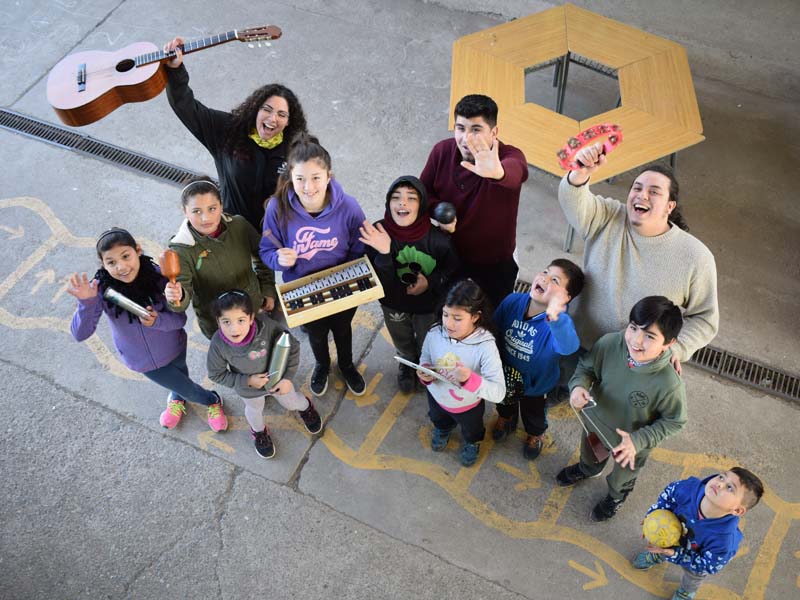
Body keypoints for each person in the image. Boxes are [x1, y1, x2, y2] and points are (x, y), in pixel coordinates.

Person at [558, 143, 718, 375]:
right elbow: (573, 202)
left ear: (669, 206)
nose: (642, 195)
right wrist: (580, 174)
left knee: (608, 410)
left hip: (635, 364)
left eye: (654, 191)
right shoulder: (608, 215)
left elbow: (705, 318)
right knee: (560, 391)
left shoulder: (696, 257)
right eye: (637, 188)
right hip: (578, 343)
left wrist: (677, 349)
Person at [68, 228, 227, 431]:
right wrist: (87, 303)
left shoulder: (159, 277)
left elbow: (179, 319)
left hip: (175, 345)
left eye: (126, 256)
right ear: (103, 264)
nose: (122, 267)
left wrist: (158, 321)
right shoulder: (100, 290)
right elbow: (80, 334)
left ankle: (177, 397)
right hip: (142, 360)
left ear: (138, 251)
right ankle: (211, 400)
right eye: (111, 262)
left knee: (180, 376)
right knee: (187, 388)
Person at [556, 296, 687, 522]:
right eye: (633, 328)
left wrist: (638, 441)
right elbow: (586, 368)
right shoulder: (610, 343)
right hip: (595, 423)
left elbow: (675, 421)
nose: (636, 340)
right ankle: (587, 469)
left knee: (622, 477)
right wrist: (578, 387)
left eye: (649, 336)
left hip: (631, 444)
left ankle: (616, 496)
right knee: (589, 454)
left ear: (669, 343)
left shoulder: (669, 384)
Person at [163, 36, 308, 231]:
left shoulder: (297, 148)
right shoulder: (228, 130)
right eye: (267, 109)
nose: (272, 119)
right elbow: (186, 107)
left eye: (281, 114)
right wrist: (175, 70)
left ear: (289, 121)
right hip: (232, 234)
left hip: (277, 237)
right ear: (255, 108)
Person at [259, 136, 367, 397]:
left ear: (329, 176)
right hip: (301, 286)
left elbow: (359, 245)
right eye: (300, 179)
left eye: (316, 177)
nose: (308, 187)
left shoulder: (349, 206)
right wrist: (278, 259)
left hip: (341, 281)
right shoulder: (277, 207)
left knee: (343, 329)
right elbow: (266, 249)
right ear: (290, 177)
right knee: (316, 335)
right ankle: (322, 365)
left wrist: (349, 274)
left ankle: (346, 364)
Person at [420, 94, 529, 307]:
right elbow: (423, 194)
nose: (466, 138)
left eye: (476, 130)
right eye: (461, 128)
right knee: (448, 312)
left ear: (494, 132)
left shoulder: (508, 157)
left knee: (495, 316)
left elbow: (517, 172)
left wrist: (497, 173)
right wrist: (437, 210)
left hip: (495, 264)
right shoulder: (442, 151)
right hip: (449, 254)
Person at [359, 175, 460, 393]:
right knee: (400, 336)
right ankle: (407, 362)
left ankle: (424, 364)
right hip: (393, 303)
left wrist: (431, 282)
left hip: (427, 306)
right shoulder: (377, 233)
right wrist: (385, 253)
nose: (402, 202)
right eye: (396, 198)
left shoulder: (437, 239)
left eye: (411, 198)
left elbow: (451, 269)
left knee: (427, 337)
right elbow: (372, 278)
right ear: (388, 203)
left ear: (422, 205)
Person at [207, 290, 322, 459]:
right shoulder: (218, 344)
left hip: (278, 381)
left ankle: (306, 408)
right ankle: (259, 432)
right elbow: (216, 374)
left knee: (291, 402)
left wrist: (288, 378)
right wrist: (247, 381)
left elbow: (293, 346)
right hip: (249, 390)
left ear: (251, 318)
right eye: (226, 322)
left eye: (241, 320)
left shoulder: (268, 327)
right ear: (218, 321)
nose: (234, 328)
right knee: (254, 411)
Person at [492, 259, 584, 460]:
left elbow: (569, 347)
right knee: (503, 401)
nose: (544, 278)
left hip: (535, 386)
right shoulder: (513, 301)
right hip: (504, 375)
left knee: (533, 415)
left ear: (566, 297)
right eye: (545, 271)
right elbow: (494, 328)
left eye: (555, 280)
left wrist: (556, 318)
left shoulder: (559, 323)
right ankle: (506, 418)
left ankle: (535, 434)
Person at [164, 177, 277, 339]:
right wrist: (177, 295)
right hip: (218, 322)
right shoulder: (181, 249)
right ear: (184, 211)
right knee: (238, 361)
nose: (206, 218)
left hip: (253, 308)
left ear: (221, 206)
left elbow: (264, 256)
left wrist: (267, 289)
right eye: (196, 211)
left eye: (212, 208)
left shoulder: (239, 225)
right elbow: (182, 298)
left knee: (266, 349)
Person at [632, 468, 764, 600]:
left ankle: (685, 592)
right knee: (662, 547)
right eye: (722, 477)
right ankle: (658, 556)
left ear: (737, 510)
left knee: (693, 576)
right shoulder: (687, 489)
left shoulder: (725, 541)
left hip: (695, 555)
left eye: (730, 488)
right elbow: (668, 496)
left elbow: (707, 565)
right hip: (669, 536)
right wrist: (655, 515)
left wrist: (676, 554)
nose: (720, 484)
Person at [417, 279, 505, 467]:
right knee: (438, 419)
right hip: (436, 397)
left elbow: (499, 392)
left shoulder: (485, 346)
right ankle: (442, 429)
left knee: (472, 431)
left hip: (468, 407)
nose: (448, 324)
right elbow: (425, 354)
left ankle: (472, 443)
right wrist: (424, 369)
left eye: (457, 318)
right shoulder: (435, 331)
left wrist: (469, 379)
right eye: (445, 314)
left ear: (475, 316)